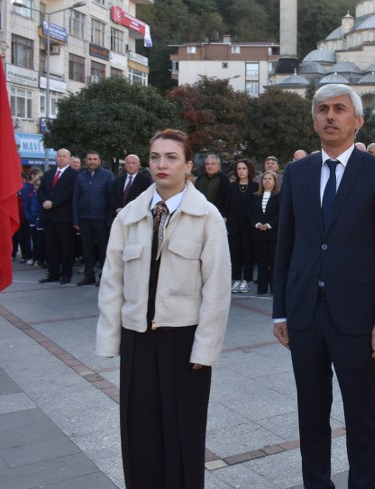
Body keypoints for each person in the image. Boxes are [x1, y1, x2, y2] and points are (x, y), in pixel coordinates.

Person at [273, 84, 375, 489]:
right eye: (323, 109)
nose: (330, 115)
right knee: (311, 413)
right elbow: (285, 245)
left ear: (357, 121)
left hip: (357, 317)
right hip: (305, 313)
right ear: (314, 120)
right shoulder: (297, 173)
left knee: (360, 415)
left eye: (340, 109)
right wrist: (280, 311)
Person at [96, 129, 231, 489]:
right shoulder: (129, 216)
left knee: (183, 434)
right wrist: (111, 338)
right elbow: (112, 281)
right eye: (155, 156)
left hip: (184, 342)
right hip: (137, 339)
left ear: (188, 166)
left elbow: (217, 289)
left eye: (172, 157)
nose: (162, 164)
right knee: (139, 432)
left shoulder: (208, 217)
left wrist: (206, 348)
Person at [72, 151, 115, 286]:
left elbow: (112, 199)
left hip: (101, 218)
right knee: (87, 249)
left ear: (99, 160)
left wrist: (109, 219)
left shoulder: (108, 175)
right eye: (89, 159)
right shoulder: (80, 176)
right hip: (84, 218)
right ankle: (89, 275)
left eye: (95, 159)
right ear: (86, 160)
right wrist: (75, 219)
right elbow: (75, 198)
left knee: (103, 249)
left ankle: (104, 276)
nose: (92, 161)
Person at [38, 148, 79, 285]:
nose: (61, 158)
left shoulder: (74, 174)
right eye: (59, 156)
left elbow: (69, 192)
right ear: (55, 158)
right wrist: (44, 201)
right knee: (51, 247)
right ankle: (53, 273)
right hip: (48, 216)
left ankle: (66, 274)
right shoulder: (48, 173)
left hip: (64, 217)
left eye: (64, 156)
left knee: (66, 247)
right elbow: (41, 190)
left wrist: (53, 202)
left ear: (69, 159)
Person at [226, 159, 258, 293]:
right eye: (239, 169)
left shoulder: (255, 186)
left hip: (249, 226)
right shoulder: (231, 186)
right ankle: (236, 279)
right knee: (235, 254)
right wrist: (225, 222)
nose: (241, 171)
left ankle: (247, 280)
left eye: (244, 168)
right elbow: (227, 205)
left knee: (248, 253)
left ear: (249, 170)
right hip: (234, 225)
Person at [249, 171, 280, 295]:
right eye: (265, 178)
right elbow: (250, 212)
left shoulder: (280, 196)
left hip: (273, 234)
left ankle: (274, 288)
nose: (267, 180)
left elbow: (281, 213)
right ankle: (261, 288)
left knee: (273, 263)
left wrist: (269, 225)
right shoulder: (255, 196)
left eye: (270, 178)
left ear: (275, 182)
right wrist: (257, 224)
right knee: (261, 263)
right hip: (258, 234)